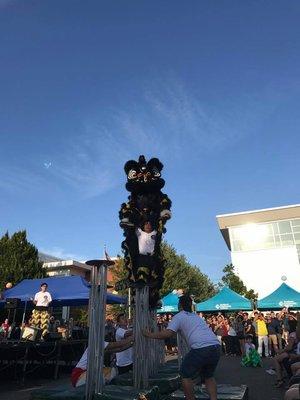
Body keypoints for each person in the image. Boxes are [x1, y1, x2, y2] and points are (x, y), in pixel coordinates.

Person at [143, 294, 221, 400]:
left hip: (201, 348)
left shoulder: (179, 316)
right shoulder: (196, 316)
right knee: (209, 376)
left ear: (180, 305)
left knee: (185, 374)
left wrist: (149, 334)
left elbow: (167, 334)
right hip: (216, 346)